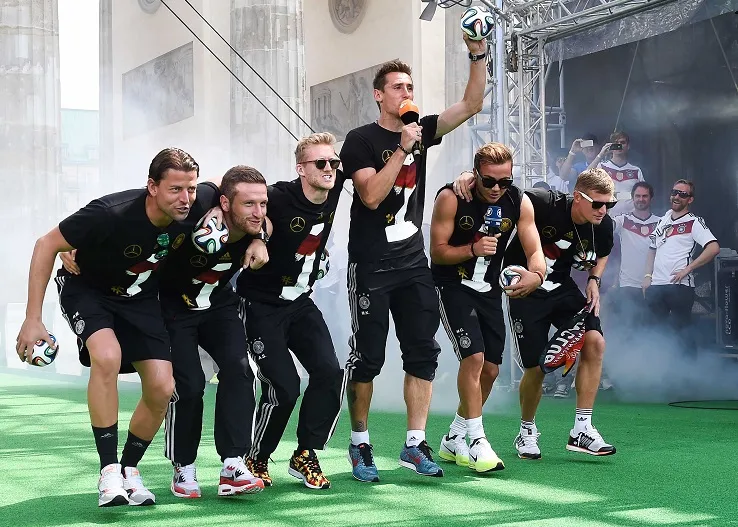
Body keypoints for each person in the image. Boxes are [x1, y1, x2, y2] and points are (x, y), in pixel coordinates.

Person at [15, 148, 217, 507]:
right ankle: (108, 471)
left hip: (140, 299)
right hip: (88, 292)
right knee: (107, 356)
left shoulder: (197, 203)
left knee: (162, 386)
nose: (185, 198)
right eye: (175, 189)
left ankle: (129, 469)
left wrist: (255, 232)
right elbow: (46, 244)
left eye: (190, 188)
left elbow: (231, 188)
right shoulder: (110, 212)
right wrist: (33, 319)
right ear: (152, 187)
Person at [339, 32, 487, 482]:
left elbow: (471, 104)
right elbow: (370, 195)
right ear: (379, 95)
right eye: (398, 87)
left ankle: (415, 443)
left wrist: (477, 53)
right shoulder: (360, 140)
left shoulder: (421, 130)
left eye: (410, 86)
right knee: (368, 357)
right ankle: (360, 443)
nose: (406, 93)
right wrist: (403, 147)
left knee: (423, 352)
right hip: (371, 264)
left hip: (412, 263)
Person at [237, 133, 345, 490]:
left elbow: (380, 160)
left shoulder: (334, 184)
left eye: (333, 162)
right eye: (320, 163)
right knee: (285, 387)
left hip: (300, 302)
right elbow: (238, 200)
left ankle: (305, 453)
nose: (329, 168)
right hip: (261, 304)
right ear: (301, 169)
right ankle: (257, 456)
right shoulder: (279, 196)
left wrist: (466, 178)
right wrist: (257, 238)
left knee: (330, 373)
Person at [430, 142, 546, 473]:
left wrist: (537, 275)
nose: (497, 188)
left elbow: (534, 249)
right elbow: (437, 252)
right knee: (474, 359)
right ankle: (477, 440)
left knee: (491, 370)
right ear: (476, 174)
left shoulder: (518, 201)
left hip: (490, 290)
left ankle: (454, 436)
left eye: (504, 181)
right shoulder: (451, 196)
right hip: (452, 286)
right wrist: (473, 249)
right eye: (489, 181)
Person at [504, 168, 617, 458]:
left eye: (609, 204)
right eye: (597, 203)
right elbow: (505, 194)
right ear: (577, 197)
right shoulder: (545, 202)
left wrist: (594, 279)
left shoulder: (603, 224)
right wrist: (468, 178)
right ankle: (526, 431)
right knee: (535, 368)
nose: (603, 210)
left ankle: (582, 429)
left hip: (561, 288)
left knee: (595, 341)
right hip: (526, 290)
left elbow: (604, 251)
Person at [643, 179, 719, 355]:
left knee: (682, 333)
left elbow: (713, 247)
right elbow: (652, 249)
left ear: (690, 199)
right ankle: (659, 367)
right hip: (656, 285)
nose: (677, 196)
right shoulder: (663, 219)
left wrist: (688, 269)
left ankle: (687, 369)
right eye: (674, 192)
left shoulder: (694, 222)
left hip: (680, 286)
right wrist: (647, 276)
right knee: (655, 332)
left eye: (682, 194)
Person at [611, 182, 660, 322]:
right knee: (629, 329)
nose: (641, 199)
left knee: (655, 328)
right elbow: (603, 226)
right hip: (628, 285)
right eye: (637, 196)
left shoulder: (661, 222)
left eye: (645, 196)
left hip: (655, 284)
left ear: (651, 198)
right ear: (632, 198)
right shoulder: (622, 220)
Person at [586, 131, 645, 215]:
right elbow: (585, 177)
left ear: (628, 146)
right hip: (607, 217)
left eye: (622, 142)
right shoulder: (602, 167)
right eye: (616, 143)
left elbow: (643, 195)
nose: (619, 145)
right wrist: (600, 155)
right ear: (611, 145)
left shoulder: (636, 170)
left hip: (630, 218)